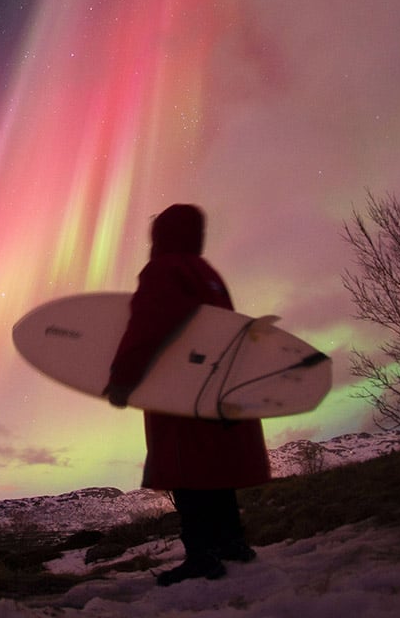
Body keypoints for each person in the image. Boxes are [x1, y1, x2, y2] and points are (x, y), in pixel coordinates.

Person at [103, 204, 271, 586]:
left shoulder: (164, 270)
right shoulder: (207, 273)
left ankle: (201, 557)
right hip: (216, 391)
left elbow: (149, 323)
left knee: (187, 471)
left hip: (183, 395)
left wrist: (123, 378)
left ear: (160, 236)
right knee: (215, 469)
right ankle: (232, 543)